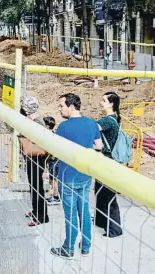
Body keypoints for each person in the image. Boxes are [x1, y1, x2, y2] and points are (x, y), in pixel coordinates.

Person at [50, 93, 103, 259]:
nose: (60, 109)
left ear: (71, 107)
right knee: (85, 211)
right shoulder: (92, 123)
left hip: (68, 176)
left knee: (71, 214)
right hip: (86, 176)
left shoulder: (63, 127)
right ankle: (86, 246)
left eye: (61, 106)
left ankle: (68, 248)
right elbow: (99, 146)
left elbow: (55, 151)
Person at [95, 92, 123, 238]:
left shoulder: (109, 121)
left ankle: (114, 229)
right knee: (100, 192)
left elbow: (92, 128)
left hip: (107, 161)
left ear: (111, 104)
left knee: (108, 196)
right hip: (106, 161)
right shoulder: (114, 119)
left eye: (104, 100)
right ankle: (101, 221)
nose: (101, 103)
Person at [20, 96, 49, 227]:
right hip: (33, 158)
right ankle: (36, 211)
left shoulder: (37, 123)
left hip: (37, 159)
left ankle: (41, 217)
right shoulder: (36, 121)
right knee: (34, 186)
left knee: (37, 188)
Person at [43, 116, 60, 206]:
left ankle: (56, 196)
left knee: (54, 179)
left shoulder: (50, 136)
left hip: (54, 160)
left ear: (47, 126)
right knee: (51, 178)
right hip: (52, 160)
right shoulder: (53, 134)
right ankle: (53, 194)